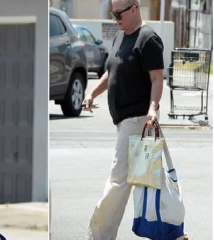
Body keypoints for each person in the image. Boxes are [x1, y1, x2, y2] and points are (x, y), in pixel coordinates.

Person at [83, 0, 166, 239]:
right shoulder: (121, 36)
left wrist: (153, 108)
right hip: (125, 122)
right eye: (113, 14)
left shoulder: (148, 39)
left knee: (118, 181)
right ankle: (171, 231)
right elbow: (113, 69)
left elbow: (157, 79)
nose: (115, 18)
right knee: (147, 182)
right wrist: (92, 93)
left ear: (134, 9)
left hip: (138, 121)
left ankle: (98, 236)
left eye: (119, 13)